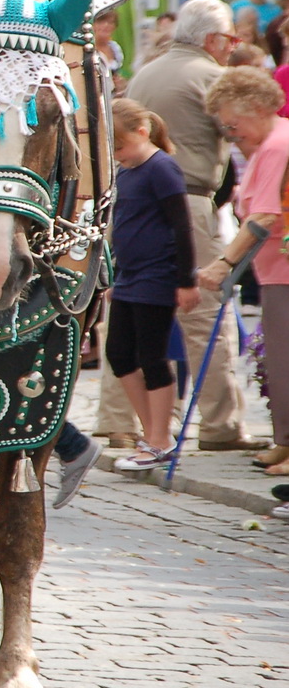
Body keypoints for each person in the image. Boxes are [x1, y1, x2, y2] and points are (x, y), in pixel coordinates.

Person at [125, 0, 258, 450]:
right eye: (231, 39)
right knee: (204, 315)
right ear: (212, 39)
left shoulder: (146, 72)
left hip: (133, 202)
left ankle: (118, 421)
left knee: (130, 312)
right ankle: (221, 425)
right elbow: (244, 131)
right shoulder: (210, 76)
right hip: (187, 199)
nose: (233, 47)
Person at [198, 67, 289, 474]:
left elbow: (264, 215)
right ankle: (284, 441)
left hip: (283, 269)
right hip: (274, 269)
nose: (231, 135)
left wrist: (224, 263)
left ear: (256, 107)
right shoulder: (272, 141)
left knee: (285, 359)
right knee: (279, 358)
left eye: (233, 126)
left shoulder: (276, 146)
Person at [104, 100, 201, 472]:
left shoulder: (161, 167)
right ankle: (153, 434)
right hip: (129, 276)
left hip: (157, 275)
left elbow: (181, 225)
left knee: (152, 357)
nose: (118, 155)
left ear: (142, 133)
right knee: (119, 354)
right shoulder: (126, 172)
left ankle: (159, 439)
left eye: (121, 146)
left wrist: (186, 280)